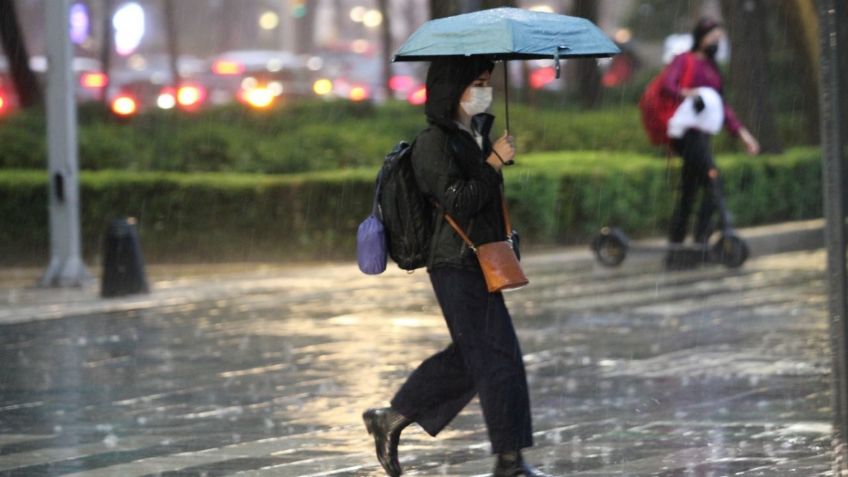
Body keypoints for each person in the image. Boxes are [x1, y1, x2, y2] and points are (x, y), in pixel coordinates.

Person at [362, 57, 552, 477]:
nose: (484, 91)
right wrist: (493, 164)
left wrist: (489, 157)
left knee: (479, 357)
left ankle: (393, 416)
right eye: (476, 83)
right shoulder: (433, 142)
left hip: (480, 261)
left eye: (487, 82)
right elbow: (460, 201)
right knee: (496, 358)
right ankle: (509, 461)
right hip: (453, 264)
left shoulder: (472, 136)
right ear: (452, 88)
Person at [662, 18, 760, 267]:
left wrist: (743, 134)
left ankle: (678, 249)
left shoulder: (714, 70)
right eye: (712, 37)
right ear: (701, 37)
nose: (716, 42)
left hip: (703, 135)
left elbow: (723, 107)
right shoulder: (685, 60)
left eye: (719, 38)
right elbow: (667, 85)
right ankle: (700, 240)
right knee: (714, 181)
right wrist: (690, 94)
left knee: (690, 191)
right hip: (686, 134)